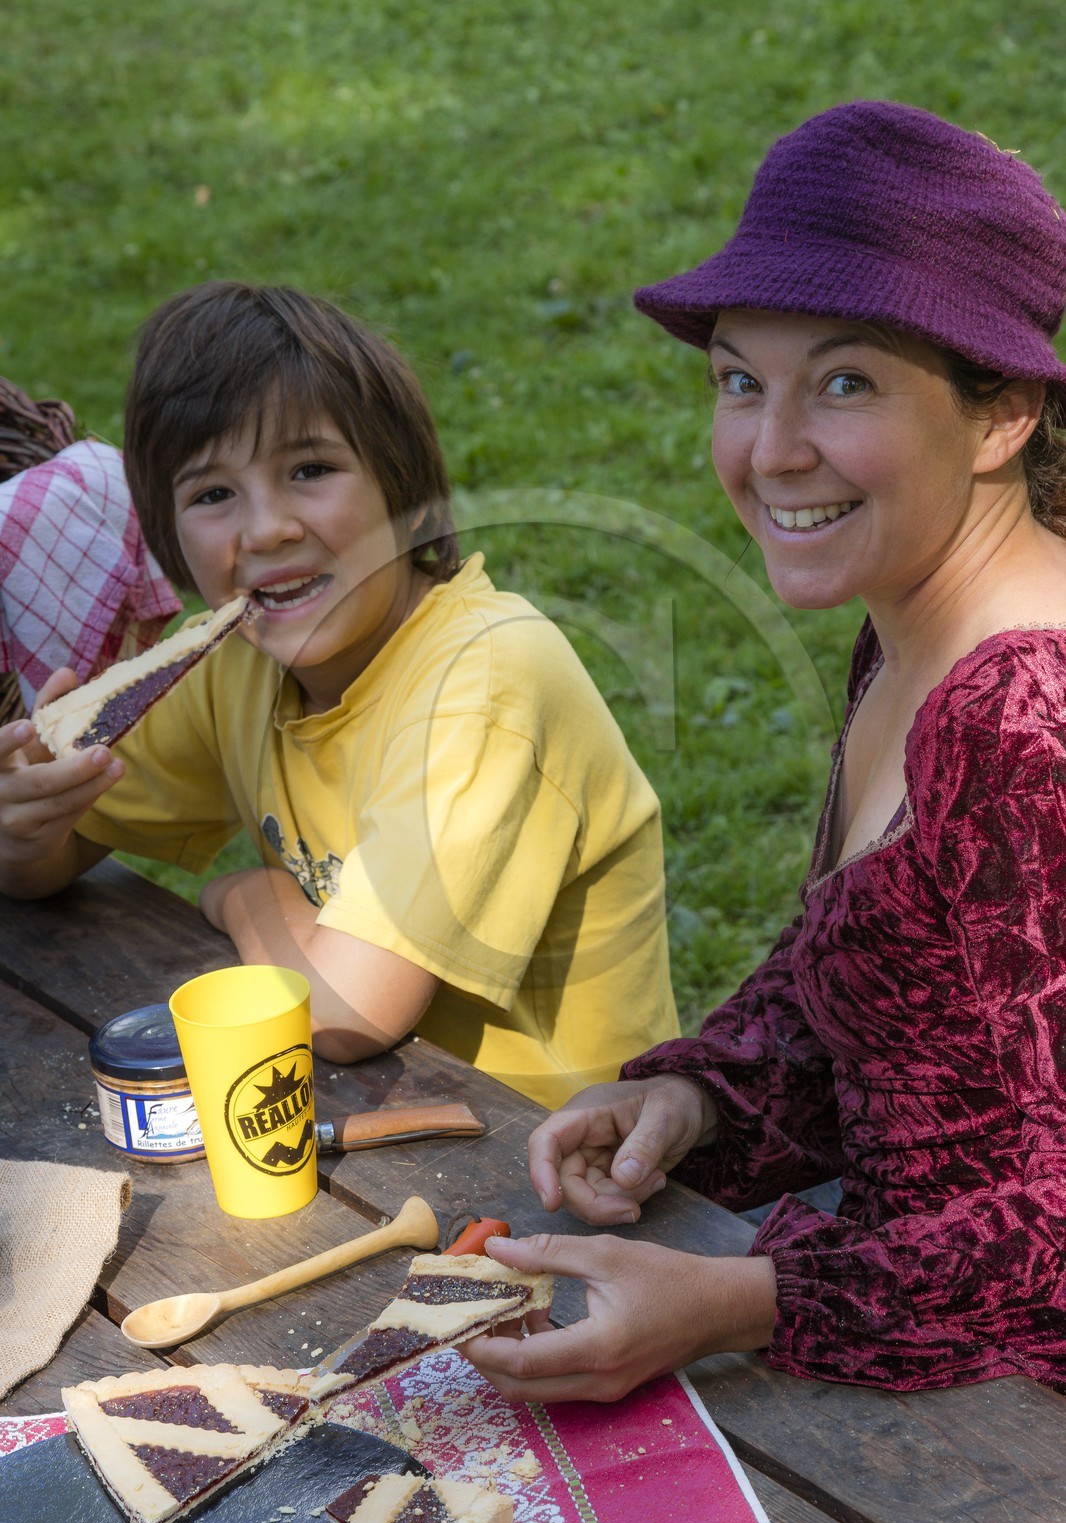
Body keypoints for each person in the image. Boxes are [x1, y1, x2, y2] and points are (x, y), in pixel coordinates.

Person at [464, 100, 1066, 1400]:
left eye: (843, 382)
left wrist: (738, 1301)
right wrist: (703, 1103)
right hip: (913, 1341)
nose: (768, 450)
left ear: (1002, 410)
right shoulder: (913, 626)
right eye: (740, 380)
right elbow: (892, 983)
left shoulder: (1025, 729)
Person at [0, 282, 678, 1110]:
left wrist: (253, 893)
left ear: (403, 492)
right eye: (213, 495)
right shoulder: (233, 663)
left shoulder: (488, 682)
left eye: (310, 471)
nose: (267, 530)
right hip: (385, 1123)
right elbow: (49, 863)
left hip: (567, 1164)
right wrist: (26, 825)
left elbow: (347, 1011)